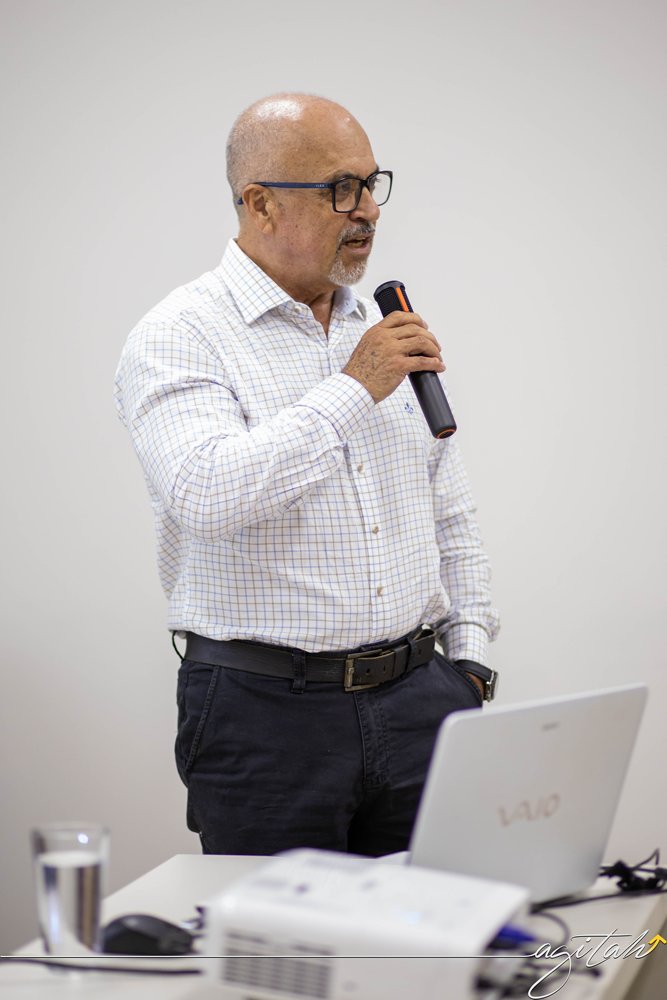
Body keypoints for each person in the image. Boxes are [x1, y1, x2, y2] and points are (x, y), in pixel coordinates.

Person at [114, 92, 500, 857]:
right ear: (259, 203)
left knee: (439, 926)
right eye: (339, 189)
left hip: (423, 702)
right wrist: (354, 389)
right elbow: (206, 494)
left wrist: (471, 664)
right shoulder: (179, 335)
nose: (368, 210)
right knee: (278, 934)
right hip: (265, 720)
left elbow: (448, 514)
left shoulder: (378, 330)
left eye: (371, 183)